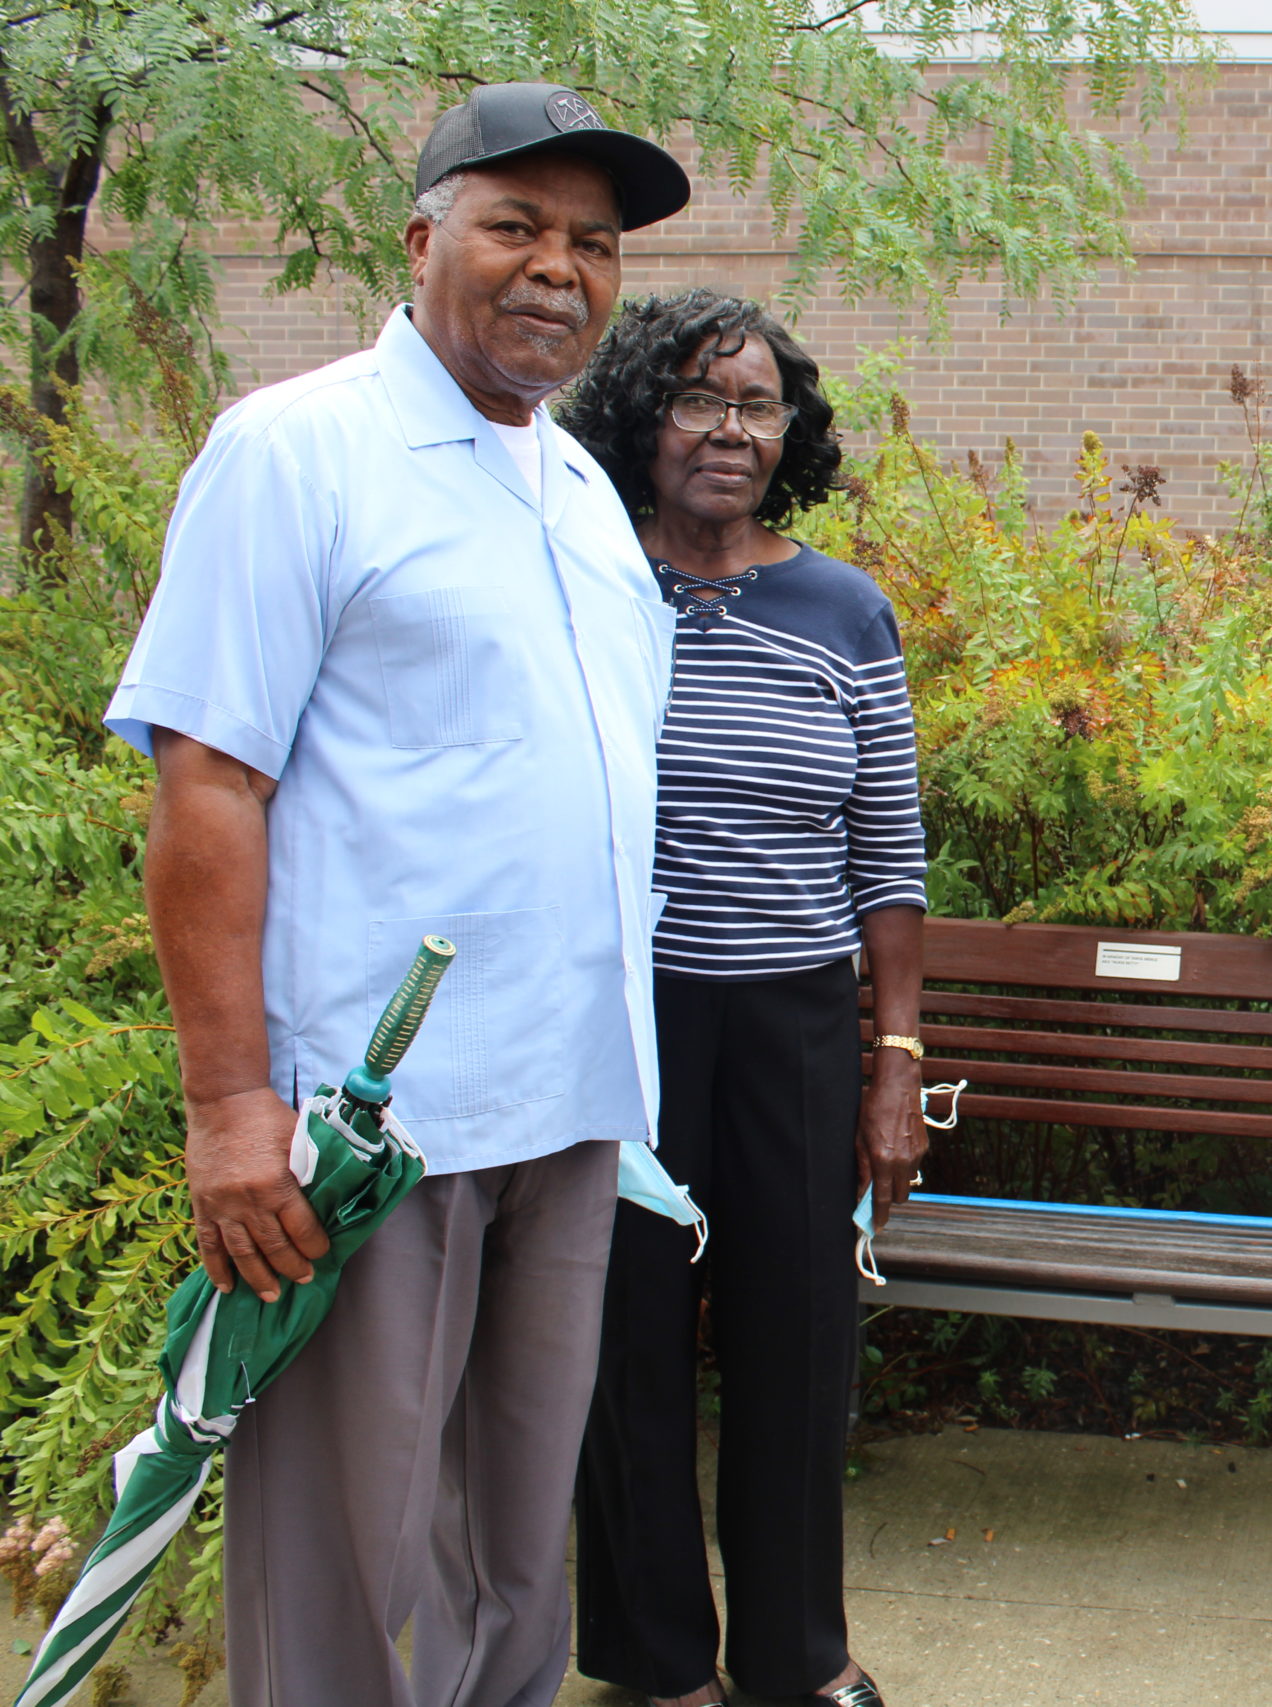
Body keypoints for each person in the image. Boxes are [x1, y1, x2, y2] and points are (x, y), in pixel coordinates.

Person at [106, 83, 689, 1707]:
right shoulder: (296, 452)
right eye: (516, 226)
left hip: (570, 1108)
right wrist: (231, 1110)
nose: (557, 269)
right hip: (374, 1132)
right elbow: (208, 785)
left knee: (514, 1546)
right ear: (423, 234)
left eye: (591, 243)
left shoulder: (575, 491)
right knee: (344, 1558)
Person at [559, 291, 929, 1707]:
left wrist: (892, 1062)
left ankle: (798, 1653)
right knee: (623, 1343)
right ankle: (659, 1660)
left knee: (796, 1340)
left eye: (756, 404)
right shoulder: (587, 578)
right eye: (698, 398)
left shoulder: (841, 608)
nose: (728, 429)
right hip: (621, 1026)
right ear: (642, 418)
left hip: (788, 1026)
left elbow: (886, 853)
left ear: (792, 432)